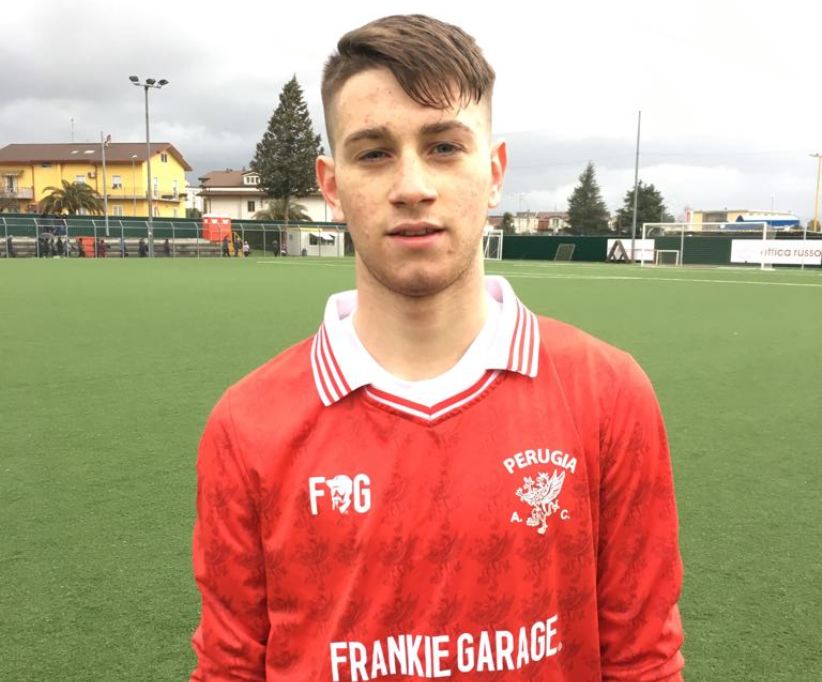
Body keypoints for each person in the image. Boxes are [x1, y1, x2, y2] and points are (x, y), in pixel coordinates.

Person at [191, 15, 684, 682]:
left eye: (445, 146)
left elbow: (642, 660)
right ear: (331, 186)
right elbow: (230, 667)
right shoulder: (248, 424)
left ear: (495, 170)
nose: (412, 186)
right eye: (374, 153)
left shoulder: (607, 395)